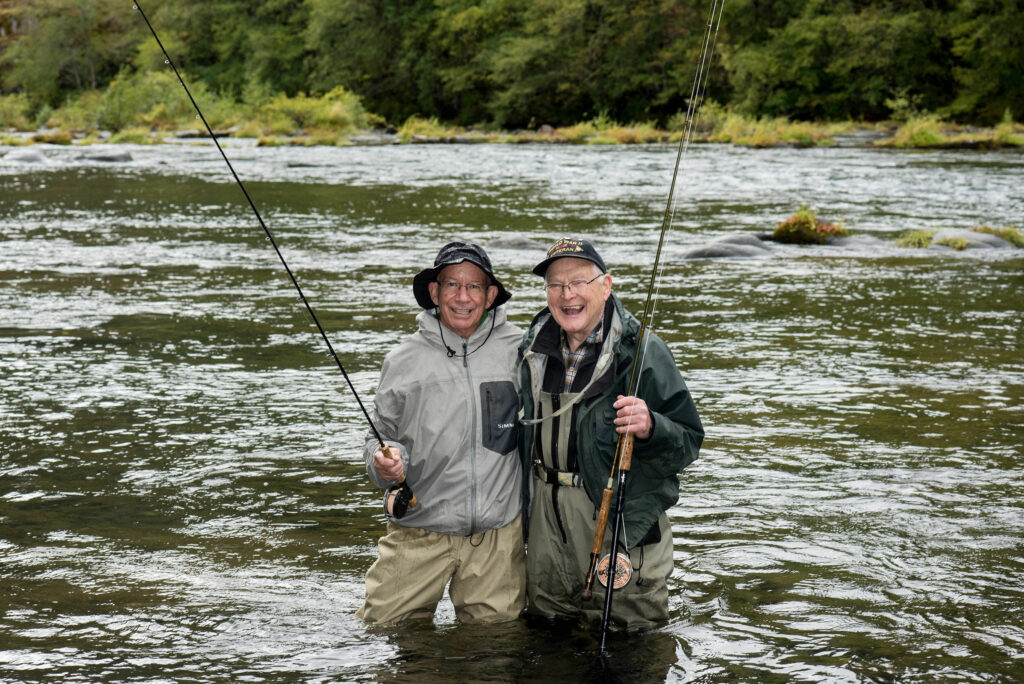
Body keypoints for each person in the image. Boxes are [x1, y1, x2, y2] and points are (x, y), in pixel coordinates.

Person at [518, 237, 703, 630]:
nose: (567, 295)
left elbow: (688, 440)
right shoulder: (529, 349)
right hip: (545, 528)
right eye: (555, 285)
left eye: (579, 282)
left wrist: (652, 426)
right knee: (549, 643)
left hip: (619, 525)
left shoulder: (643, 352)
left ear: (606, 285)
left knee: (631, 648)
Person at [356, 241, 525, 625]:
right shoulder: (402, 361)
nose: (462, 297)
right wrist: (383, 463)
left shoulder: (523, 351)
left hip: (497, 539)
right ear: (434, 292)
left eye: (474, 287)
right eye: (451, 285)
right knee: (383, 635)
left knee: (494, 654)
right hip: (418, 531)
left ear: (491, 295)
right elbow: (377, 440)